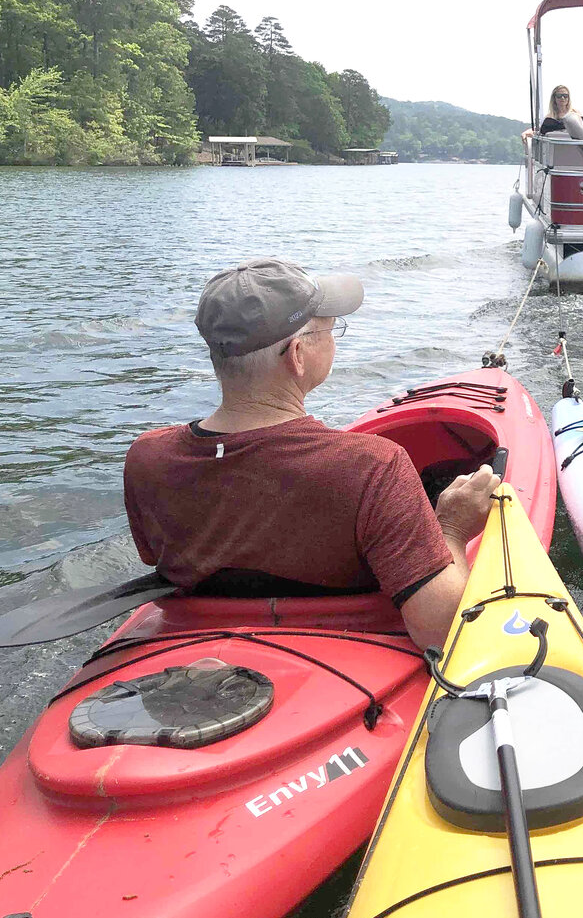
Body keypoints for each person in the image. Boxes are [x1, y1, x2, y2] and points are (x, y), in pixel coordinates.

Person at [123, 258, 500, 650]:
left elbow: (158, 556)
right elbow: (442, 631)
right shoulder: (373, 466)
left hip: (195, 647)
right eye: (330, 329)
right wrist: (452, 528)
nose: (334, 338)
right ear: (298, 355)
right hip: (344, 661)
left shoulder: (148, 458)